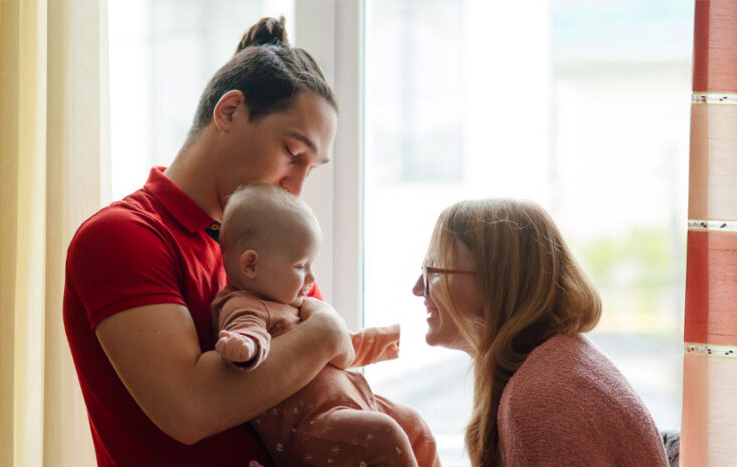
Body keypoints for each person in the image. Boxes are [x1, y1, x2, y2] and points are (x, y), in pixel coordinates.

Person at [63, 17, 355, 466]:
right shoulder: (122, 236)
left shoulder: (273, 245)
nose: (295, 187)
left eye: (311, 169)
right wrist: (327, 332)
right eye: (293, 154)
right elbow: (190, 409)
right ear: (230, 111)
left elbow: (326, 384)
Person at [412, 199, 669, 467]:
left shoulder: (542, 401)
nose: (418, 288)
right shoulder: (558, 364)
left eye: (433, 270)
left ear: (495, 281)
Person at [212, 182, 440, 467]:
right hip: (312, 428)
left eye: (311, 265)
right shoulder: (243, 304)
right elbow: (247, 328)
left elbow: (337, 345)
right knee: (385, 434)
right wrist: (245, 345)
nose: (310, 278)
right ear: (251, 266)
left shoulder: (292, 302)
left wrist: (384, 342)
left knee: (413, 423)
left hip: (354, 402)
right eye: (299, 266)